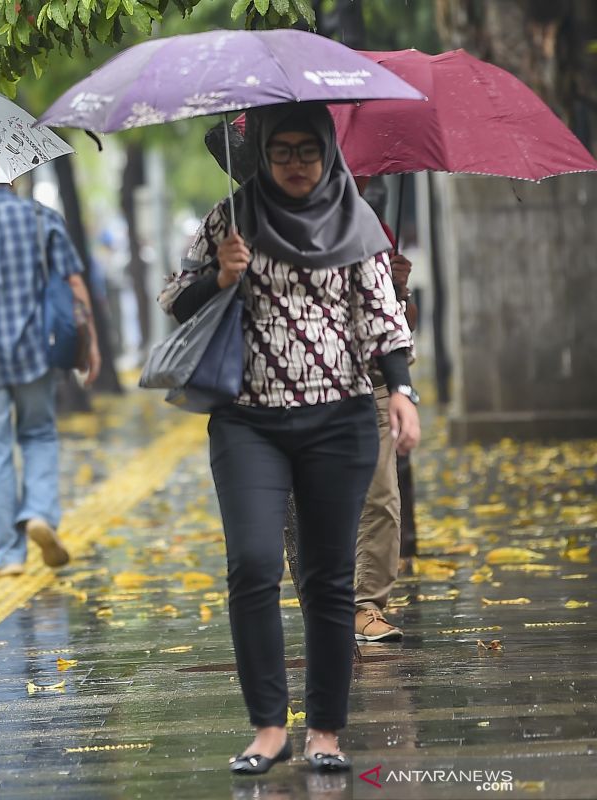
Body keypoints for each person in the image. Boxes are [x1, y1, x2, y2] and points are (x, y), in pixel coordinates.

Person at [170, 103, 420, 774]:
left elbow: (380, 316)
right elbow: (174, 298)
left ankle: (327, 734)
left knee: (328, 577)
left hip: (336, 419)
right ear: (262, 158)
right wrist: (220, 275)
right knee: (253, 565)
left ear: (325, 152)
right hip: (248, 419)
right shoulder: (231, 218)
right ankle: (268, 728)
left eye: (306, 151)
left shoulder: (355, 219)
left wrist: (400, 391)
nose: (295, 165)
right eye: (280, 152)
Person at [0, 183, 100, 576]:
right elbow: (74, 283)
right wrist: (90, 343)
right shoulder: (42, 217)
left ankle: (9, 554)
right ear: (12, 176)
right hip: (36, 352)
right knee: (39, 433)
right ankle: (40, 512)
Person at [353, 176, 421, 643]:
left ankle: (366, 606)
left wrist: (401, 288)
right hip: (306, 389)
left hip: (373, 382)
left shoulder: (373, 227)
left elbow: (399, 324)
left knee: (382, 498)